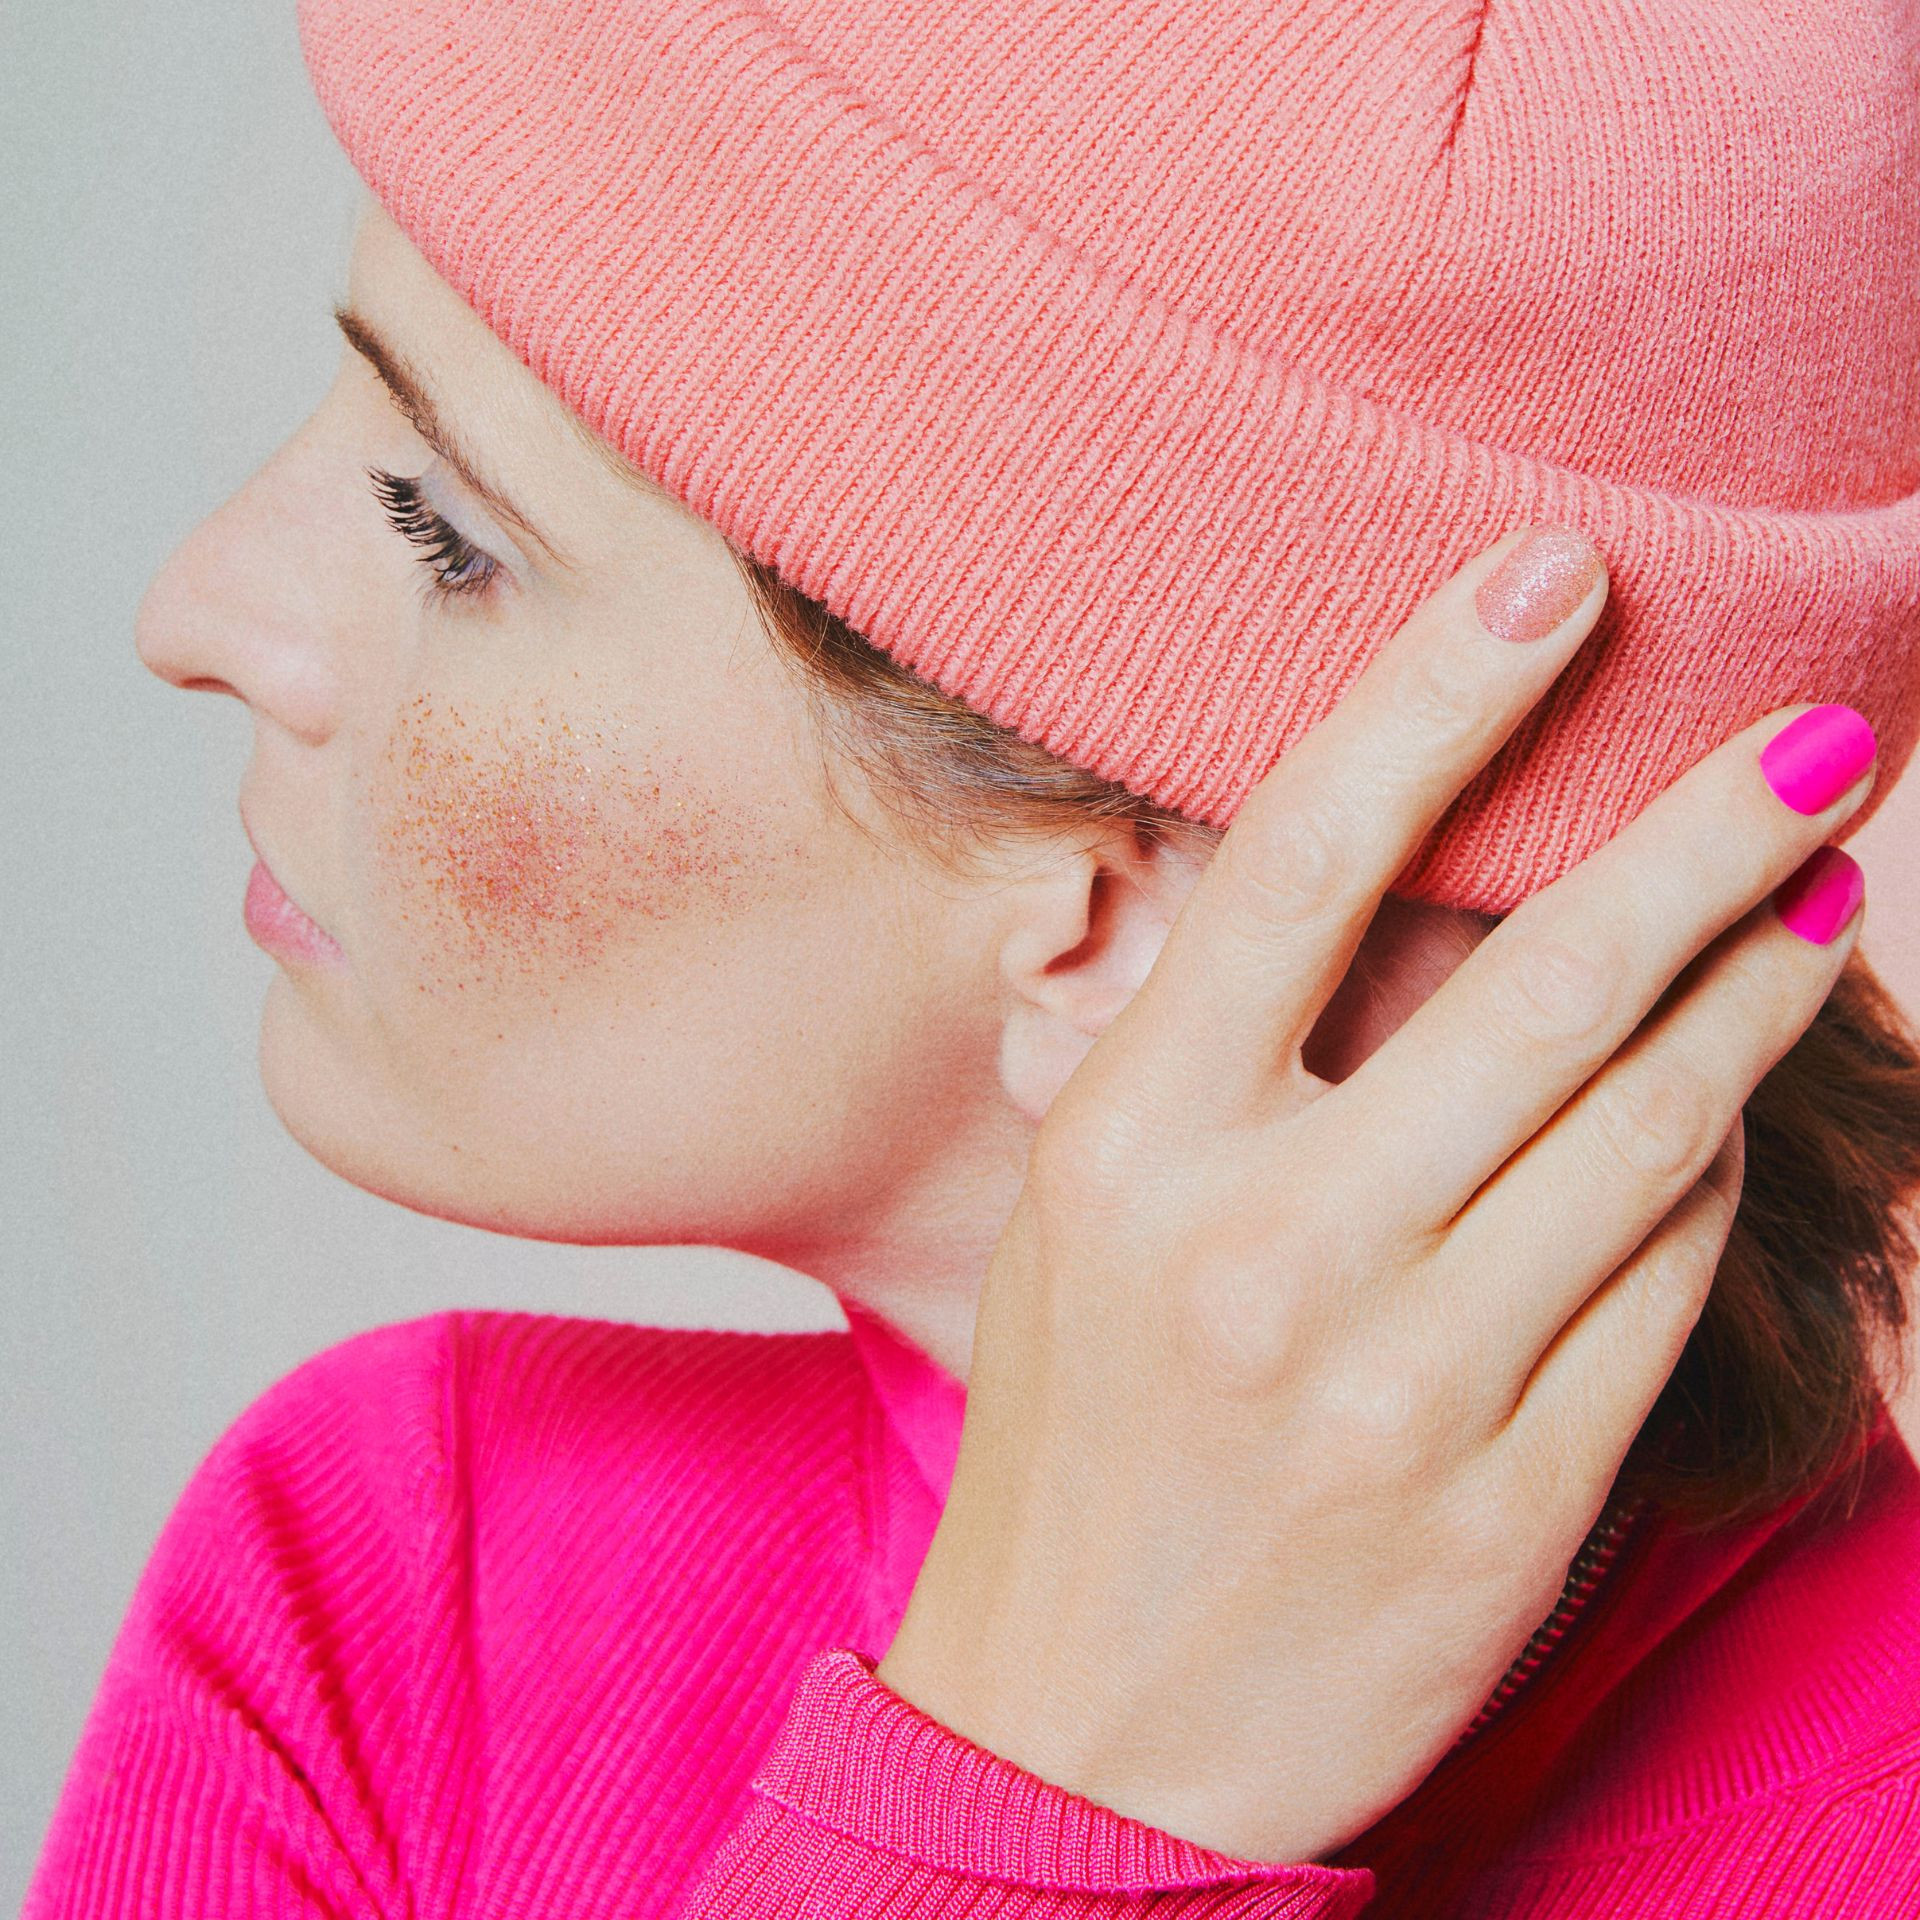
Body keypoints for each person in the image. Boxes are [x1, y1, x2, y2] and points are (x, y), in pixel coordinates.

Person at [26, 0, 1920, 1913]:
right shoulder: (381, 1596)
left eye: (448, 538)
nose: (194, 609)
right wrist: (1043, 1774)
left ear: (1128, 911)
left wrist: (1026, 1829)